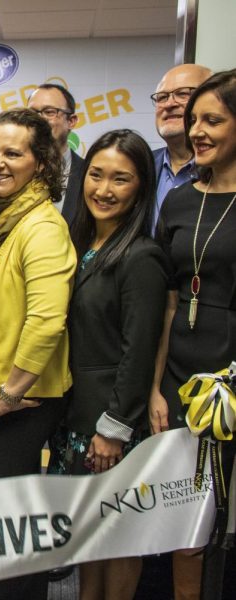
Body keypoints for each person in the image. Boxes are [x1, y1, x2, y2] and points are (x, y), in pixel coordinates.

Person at [51, 129, 168, 600]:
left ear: (141, 187)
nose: (103, 189)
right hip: (77, 417)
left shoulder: (141, 257)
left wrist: (113, 428)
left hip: (108, 425)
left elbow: (138, 351)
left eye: (120, 179)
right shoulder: (83, 247)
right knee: (91, 540)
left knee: (120, 541)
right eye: (96, 175)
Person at [0, 108, 76, 600]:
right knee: (14, 519)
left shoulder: (41, 227)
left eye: (13, 152)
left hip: (21, 396)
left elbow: (46, 320)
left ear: (41, 162)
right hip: (0, 384)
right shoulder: (4, 221)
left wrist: (11, 394)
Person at [150, 68, 236, 600]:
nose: (197, 130)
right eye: (193, 119)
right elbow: (169, 298)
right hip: (183, 378)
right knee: (185, 526)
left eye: (213, 120)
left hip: (232, 376)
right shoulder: (180, 201)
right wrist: (154, 387)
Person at [150, 64, 213, 230]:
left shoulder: (224, 170)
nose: (169, 104)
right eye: (162, 97)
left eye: (183, 94)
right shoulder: (142, 164)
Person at [28, 83, 85, 224]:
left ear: (71, 121)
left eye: (49, 112)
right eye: (32, 113)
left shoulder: (88, 174)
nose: (39, 119)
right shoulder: (11, 172)